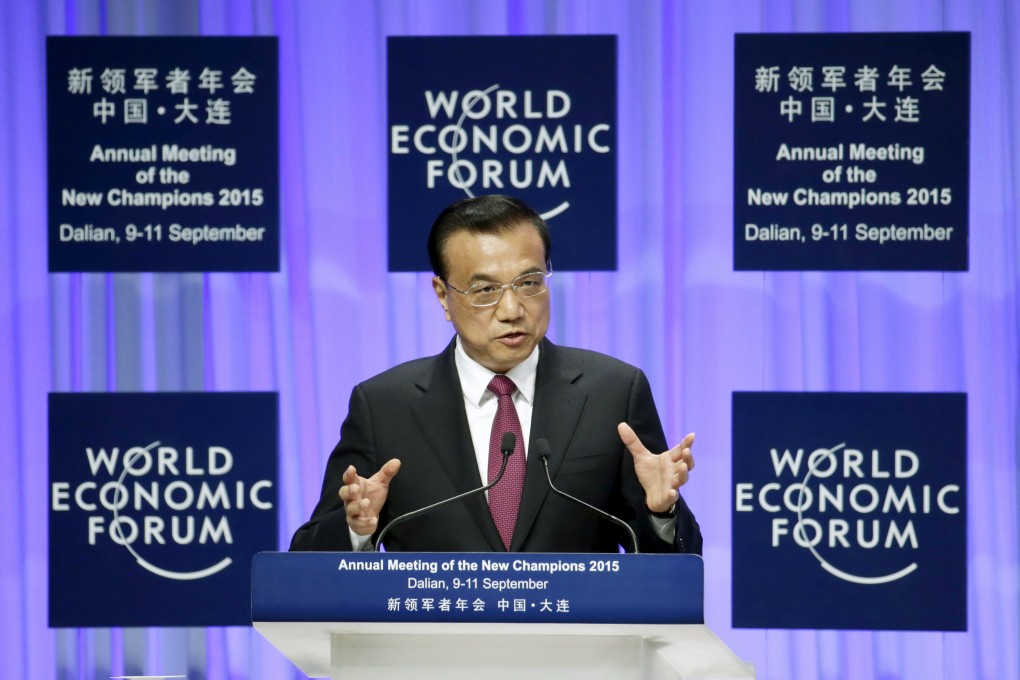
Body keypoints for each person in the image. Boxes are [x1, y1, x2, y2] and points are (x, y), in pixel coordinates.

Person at [290, 194, 701, 554]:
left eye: (529, 282)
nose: (512, 310)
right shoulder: (384, 406)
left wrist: (660, 511)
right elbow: (307, 562)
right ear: (443, 296)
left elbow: (673, 568)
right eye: (485, 290)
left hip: (575, 639)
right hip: (436, 642)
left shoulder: (613, 392)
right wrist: (355, 529)